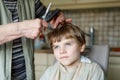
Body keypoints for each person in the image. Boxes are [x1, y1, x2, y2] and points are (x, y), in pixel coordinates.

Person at [0, 0, 72, 80]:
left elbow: (47, 18)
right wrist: (22, 28)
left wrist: (54, 19)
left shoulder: (32, 1)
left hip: (25, 75)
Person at [40, 23, 104, 80]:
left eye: (68, 44)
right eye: (56, 47)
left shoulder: (93, 70)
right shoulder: (50, 71)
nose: (62, 51)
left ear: (81, 47)